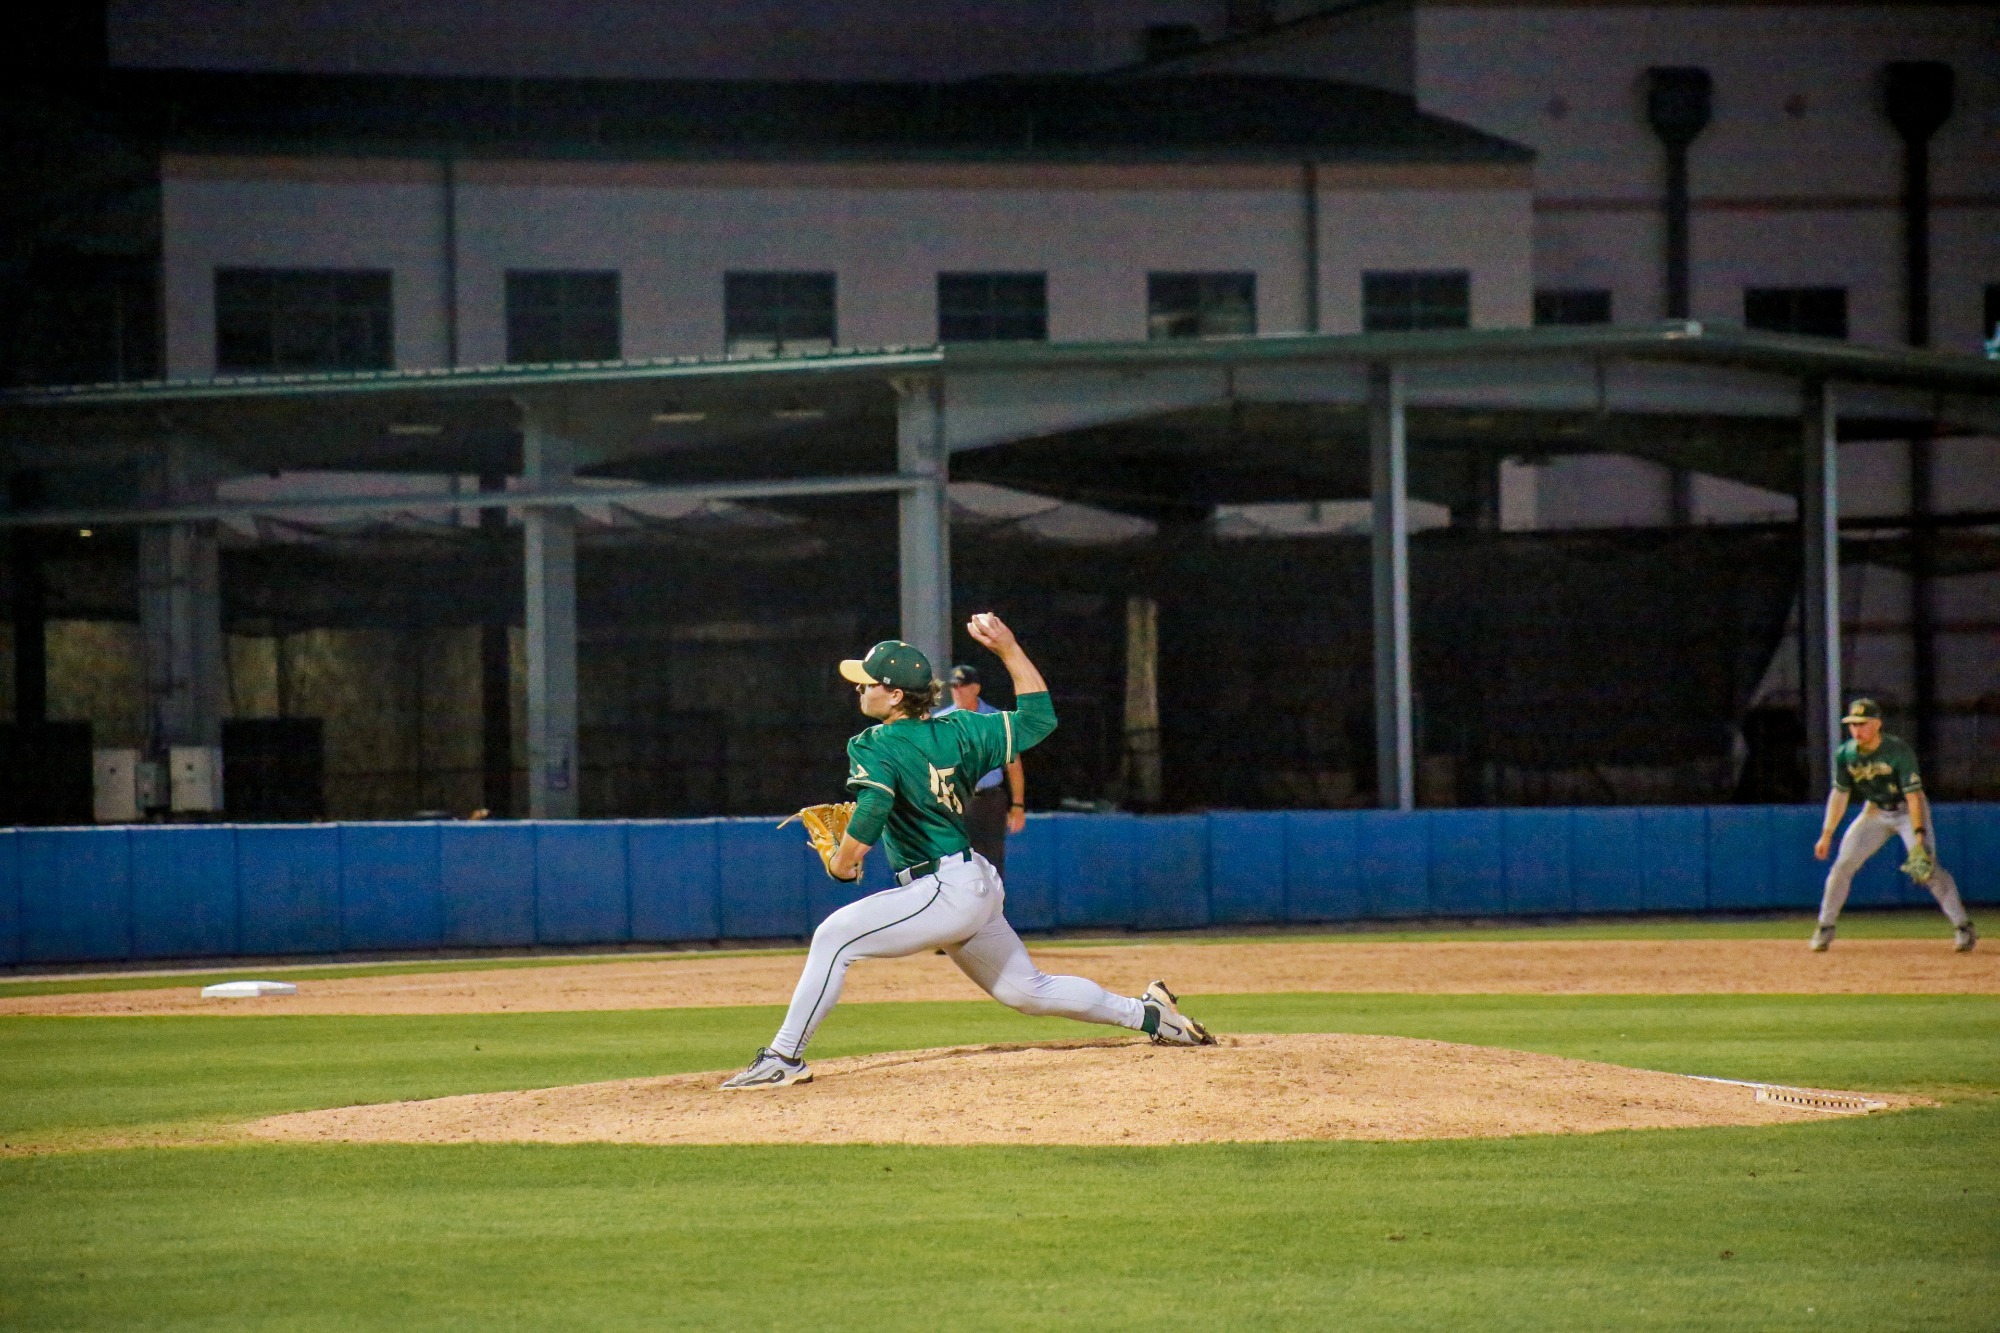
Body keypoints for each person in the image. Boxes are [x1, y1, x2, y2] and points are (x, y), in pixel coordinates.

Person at [720, 613, 1214, 1089]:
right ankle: (1150, 1015)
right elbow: (1040, 718)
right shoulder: (964, 729)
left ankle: (783, 1059)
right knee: (1027, 991)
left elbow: (872, 811)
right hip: (970, 881)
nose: (860, 689)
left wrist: (842, 863)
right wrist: (1009, 650)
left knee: (834, 936)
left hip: (943, 889)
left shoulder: (874, 743)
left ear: (895, 694)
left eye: (868, 682)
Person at [1810, 698, 1975, 953]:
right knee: (1842, 866)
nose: (1856, 729)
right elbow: (1840, 794)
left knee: (1928, 869)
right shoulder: (1845, 753)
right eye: (1853, 724)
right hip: (1875, 811)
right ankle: (1825, 926)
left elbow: (1914, 796)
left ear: (1877, 724)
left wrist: (1919, 836)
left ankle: (1962, 926)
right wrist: (1827, 833)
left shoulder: (1897, 750)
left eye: (1862, 723)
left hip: (1907, 810)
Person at [932, 663, 1027, 875]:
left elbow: (1013, 765)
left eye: (962, 686)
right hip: (953, 800)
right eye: (953, 687)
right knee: (953, 863)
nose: (957, 691)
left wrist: (1018, 805)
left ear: (976, 688)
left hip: (988, 801)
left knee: (991, 864)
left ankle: (991, 899)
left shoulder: (996, 721)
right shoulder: (941, 722)